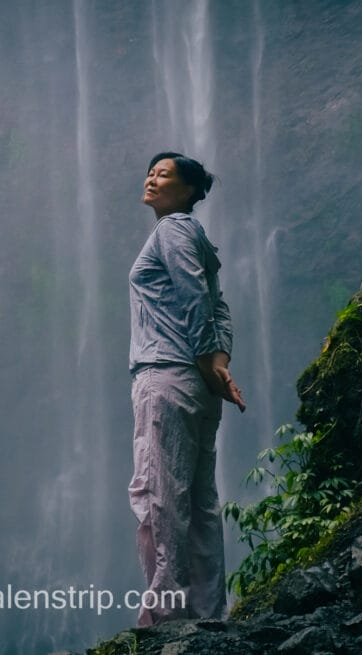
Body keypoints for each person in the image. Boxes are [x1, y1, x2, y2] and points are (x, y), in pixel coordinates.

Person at [127, 152, 246, 626]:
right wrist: (217, 364)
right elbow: (218, 306)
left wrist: (204, 357)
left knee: (161, 495)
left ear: (191, 191)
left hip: (166, 375)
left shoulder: (172, 229)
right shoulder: (194, 235)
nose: (152, 178)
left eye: (164, 174)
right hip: (196, 384)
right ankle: (207, 614)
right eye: (151, 171)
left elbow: (197, 298)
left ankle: (164, 616)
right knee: (199, 501)